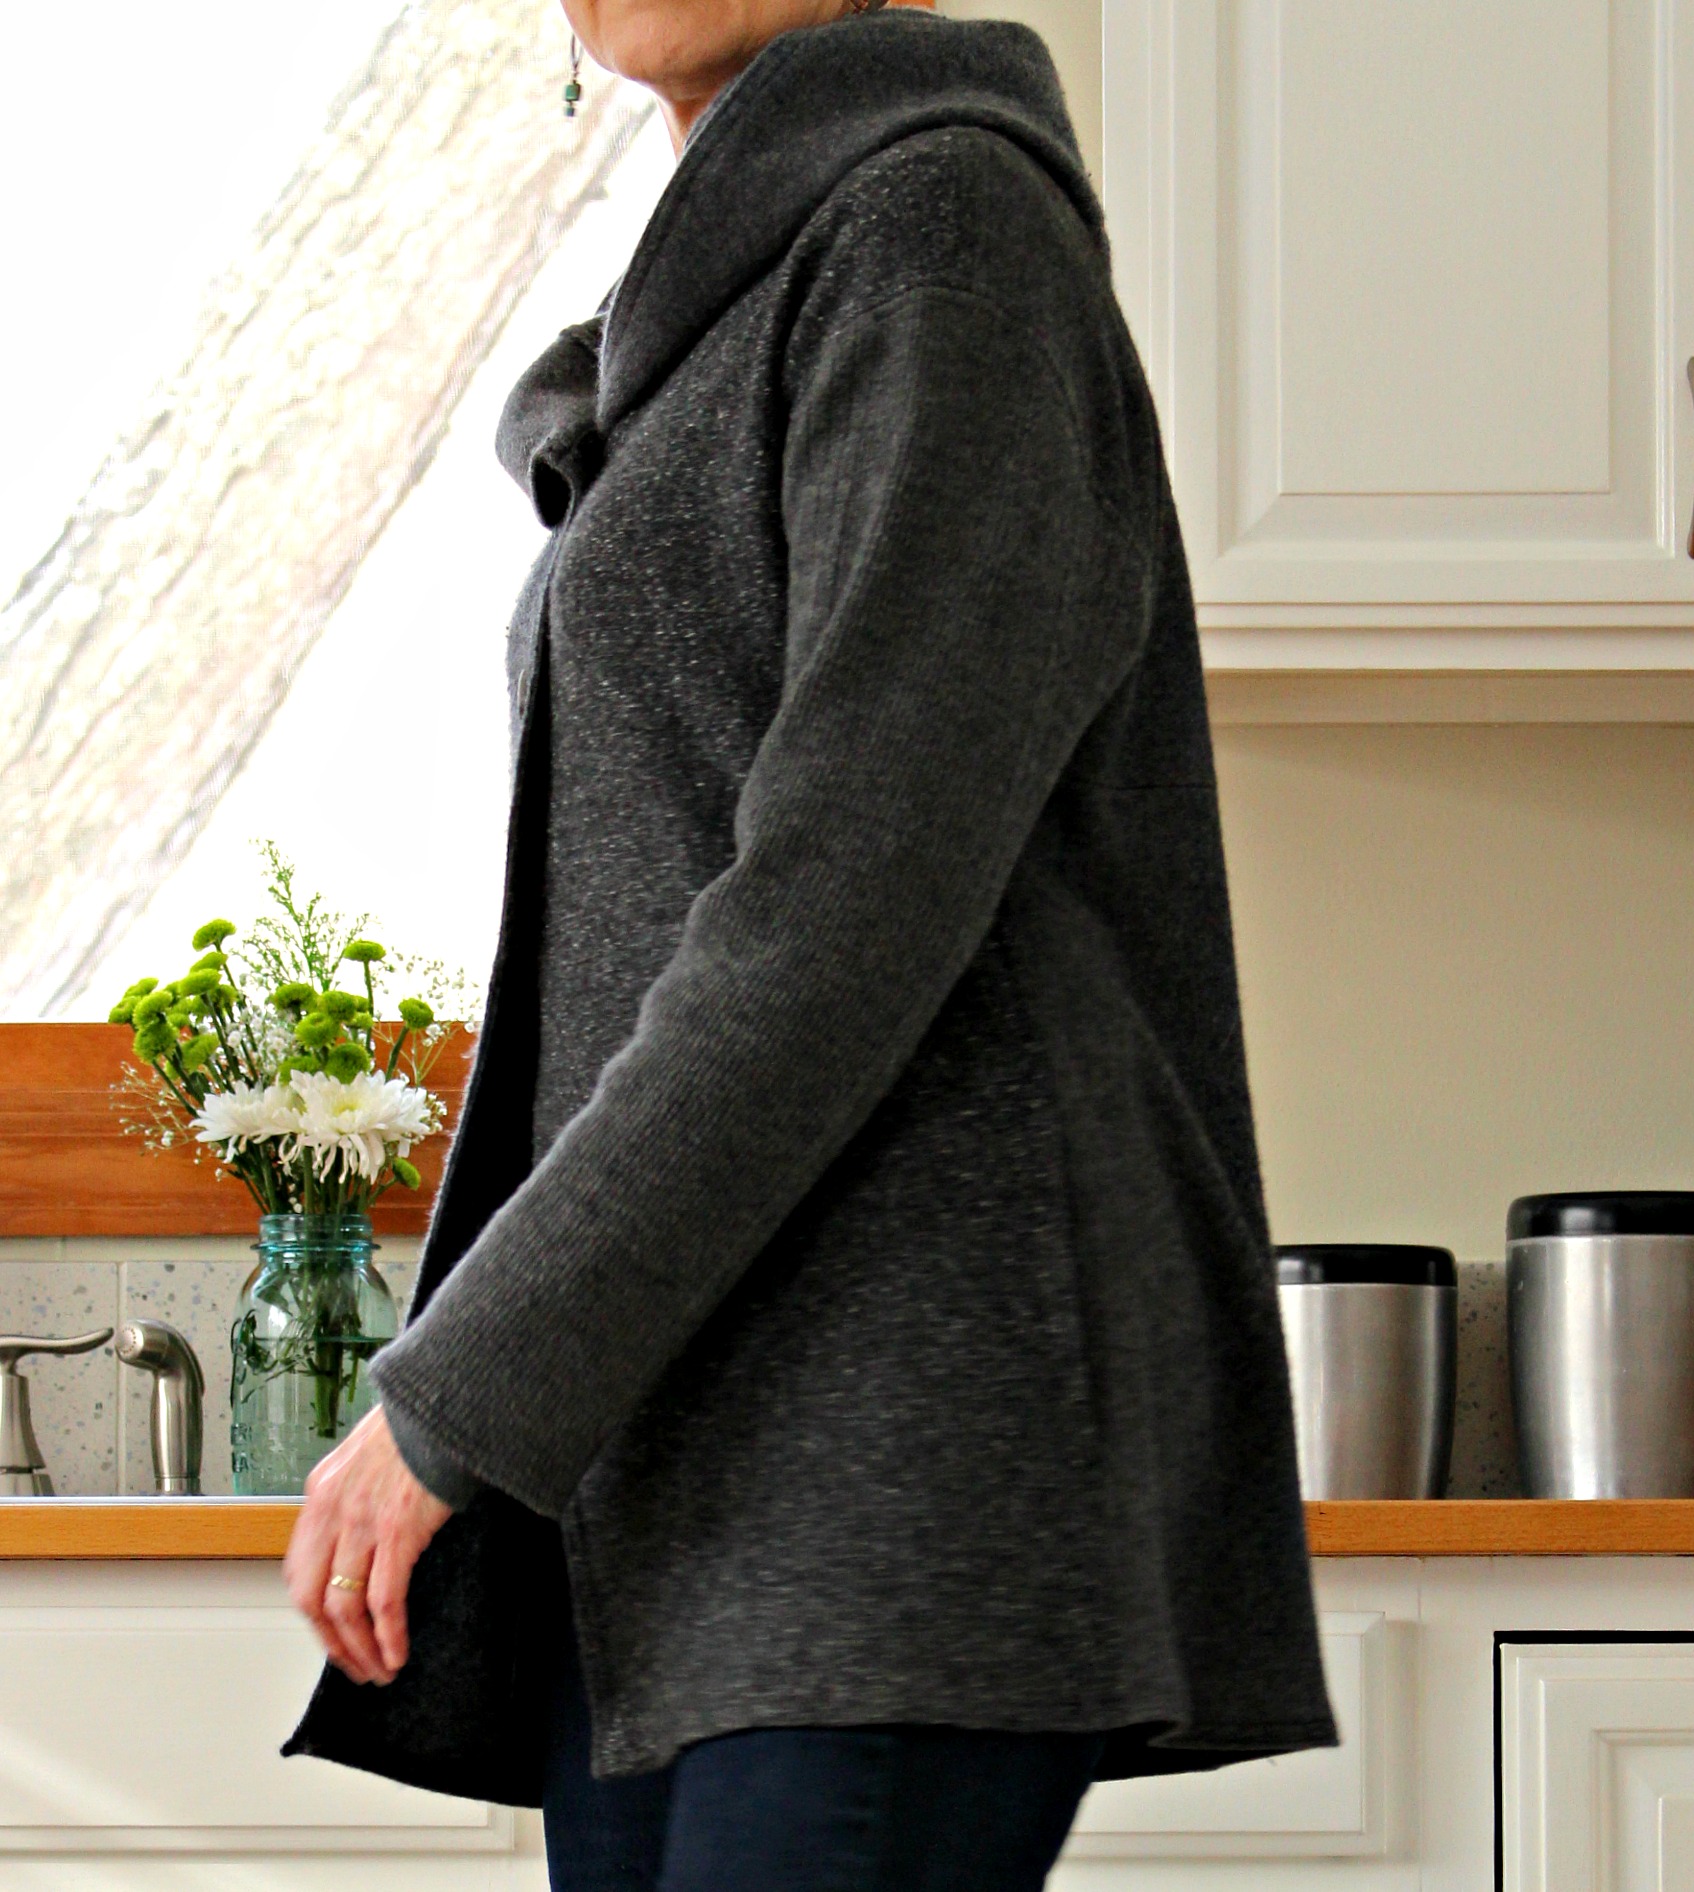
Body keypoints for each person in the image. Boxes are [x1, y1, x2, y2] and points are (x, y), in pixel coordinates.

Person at [280, 1, 1338, 1886]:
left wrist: (455, 1392)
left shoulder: (943, 229)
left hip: (896, 1436)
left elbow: (839, 902)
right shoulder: (719, 310)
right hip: (679, 1466)